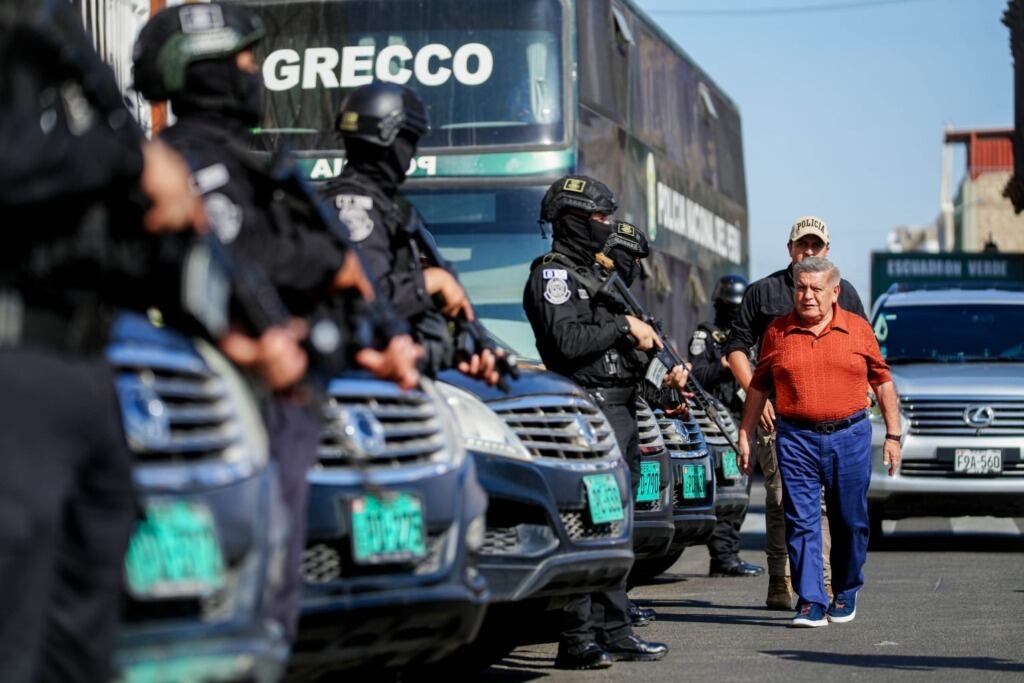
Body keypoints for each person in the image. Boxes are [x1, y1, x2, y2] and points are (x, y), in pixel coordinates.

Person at [132, 3, 422, 644]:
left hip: (291, 398)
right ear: (203, 70)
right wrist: (327, 262)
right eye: (241, 59)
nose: (253, 72)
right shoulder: (185, 163)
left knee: (281, 593)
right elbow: (239, 258)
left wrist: (370, 345)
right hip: (223, 405)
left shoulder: (254, 162)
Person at [0, 2, 207, 680]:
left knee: (83, 638)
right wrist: (125, 158)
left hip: (87, 360)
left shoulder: (53, 26)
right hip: (17, 360)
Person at [523, 175, 686, 669]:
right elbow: (567, 344)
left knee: (617, 526)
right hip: (587, 415)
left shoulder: (598, 275)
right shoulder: (554, 275)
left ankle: (615, 629)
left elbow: (624, 357)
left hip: (620, 412)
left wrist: (665, 377)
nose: (606, 227)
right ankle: (576, 639)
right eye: (598, 219)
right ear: (572, 220)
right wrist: (622, 327)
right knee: (592, 523)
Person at [736, 256, 901, 627]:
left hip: (850, 435)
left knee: (850, 520)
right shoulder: (777, 332)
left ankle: (845, 590)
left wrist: (893, 435)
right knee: (802, 519)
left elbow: (883, 382)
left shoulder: (858, 329)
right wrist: (745, 433)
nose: (807, 296)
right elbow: (759, 386)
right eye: (801, 288)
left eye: (816, 289)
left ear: (834, 292)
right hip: (795, 437)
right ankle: (811, 600)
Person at [724, 215, 866, 610]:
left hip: (830, 420)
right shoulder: (764, 292)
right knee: (780, 496)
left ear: (826, 252)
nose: (808, 252)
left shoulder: (844, 293)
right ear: (789, 250)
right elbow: (735, 347)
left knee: (823, 503)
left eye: (815, 246)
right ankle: (780, 579)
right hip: (778, 413)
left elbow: (863, 353)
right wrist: (758, 393)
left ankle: (819, 584)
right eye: (801, 245)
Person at [320, 82, 500, 385]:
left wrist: (462, 351)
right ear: (389, 138)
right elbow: (365, 301)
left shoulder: (391, 209)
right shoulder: (353, 206)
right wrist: (430, 282)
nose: (412, 155)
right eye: (410, 141)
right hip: (362, 389)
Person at [689, 274, 764, 578]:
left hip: (744, 418)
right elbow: (696, 375)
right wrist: (725, 365)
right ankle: (723, 557)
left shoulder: (751, 340)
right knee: (726, 492)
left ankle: (727, 555)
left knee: (741, 491)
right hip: (717, 423)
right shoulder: (705, 336)